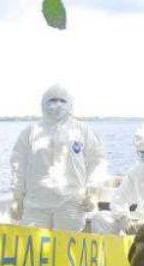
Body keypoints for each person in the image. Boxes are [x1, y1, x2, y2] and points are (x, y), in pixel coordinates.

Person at [10, 84, 108, 231]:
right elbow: (18, 164)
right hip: (36, 205)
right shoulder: (31, 132)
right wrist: (17, 196)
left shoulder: (82, 130)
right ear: (43, 103)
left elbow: (97, 160)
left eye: (62, 101)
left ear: (70, 104)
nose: (57, 104)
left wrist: (93, 191)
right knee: (35, 249)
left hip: (72, 203)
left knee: (68, 249)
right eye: (52, 100)